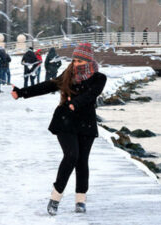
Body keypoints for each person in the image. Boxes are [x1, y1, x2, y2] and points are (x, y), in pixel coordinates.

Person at [11, 43, 107, 216]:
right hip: (65, 121)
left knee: (82, 161)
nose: (75, 64)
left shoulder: (99, 78)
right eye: (74, 60)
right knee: (71, 156)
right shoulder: (68, 74)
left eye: (79, 61)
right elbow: (48, 85)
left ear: (88, 60)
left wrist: (75, 103)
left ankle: (80, 200)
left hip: (86, 123)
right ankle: (55, 198)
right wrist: (22, 92)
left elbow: (90, 95)